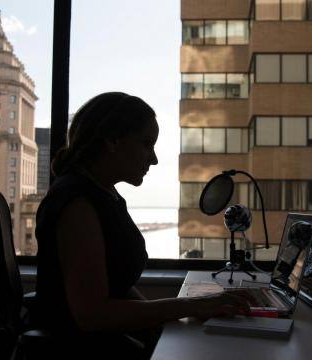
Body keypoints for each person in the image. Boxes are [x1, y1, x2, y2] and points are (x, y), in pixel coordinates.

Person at [30, 92, 249, 359]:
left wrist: (161, 326)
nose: (154, 158)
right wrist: (190, 306)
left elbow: (116, 286)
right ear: (112, 140)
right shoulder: (77, 203)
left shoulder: (103, 195)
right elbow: (92, 315)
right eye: (147, 144)